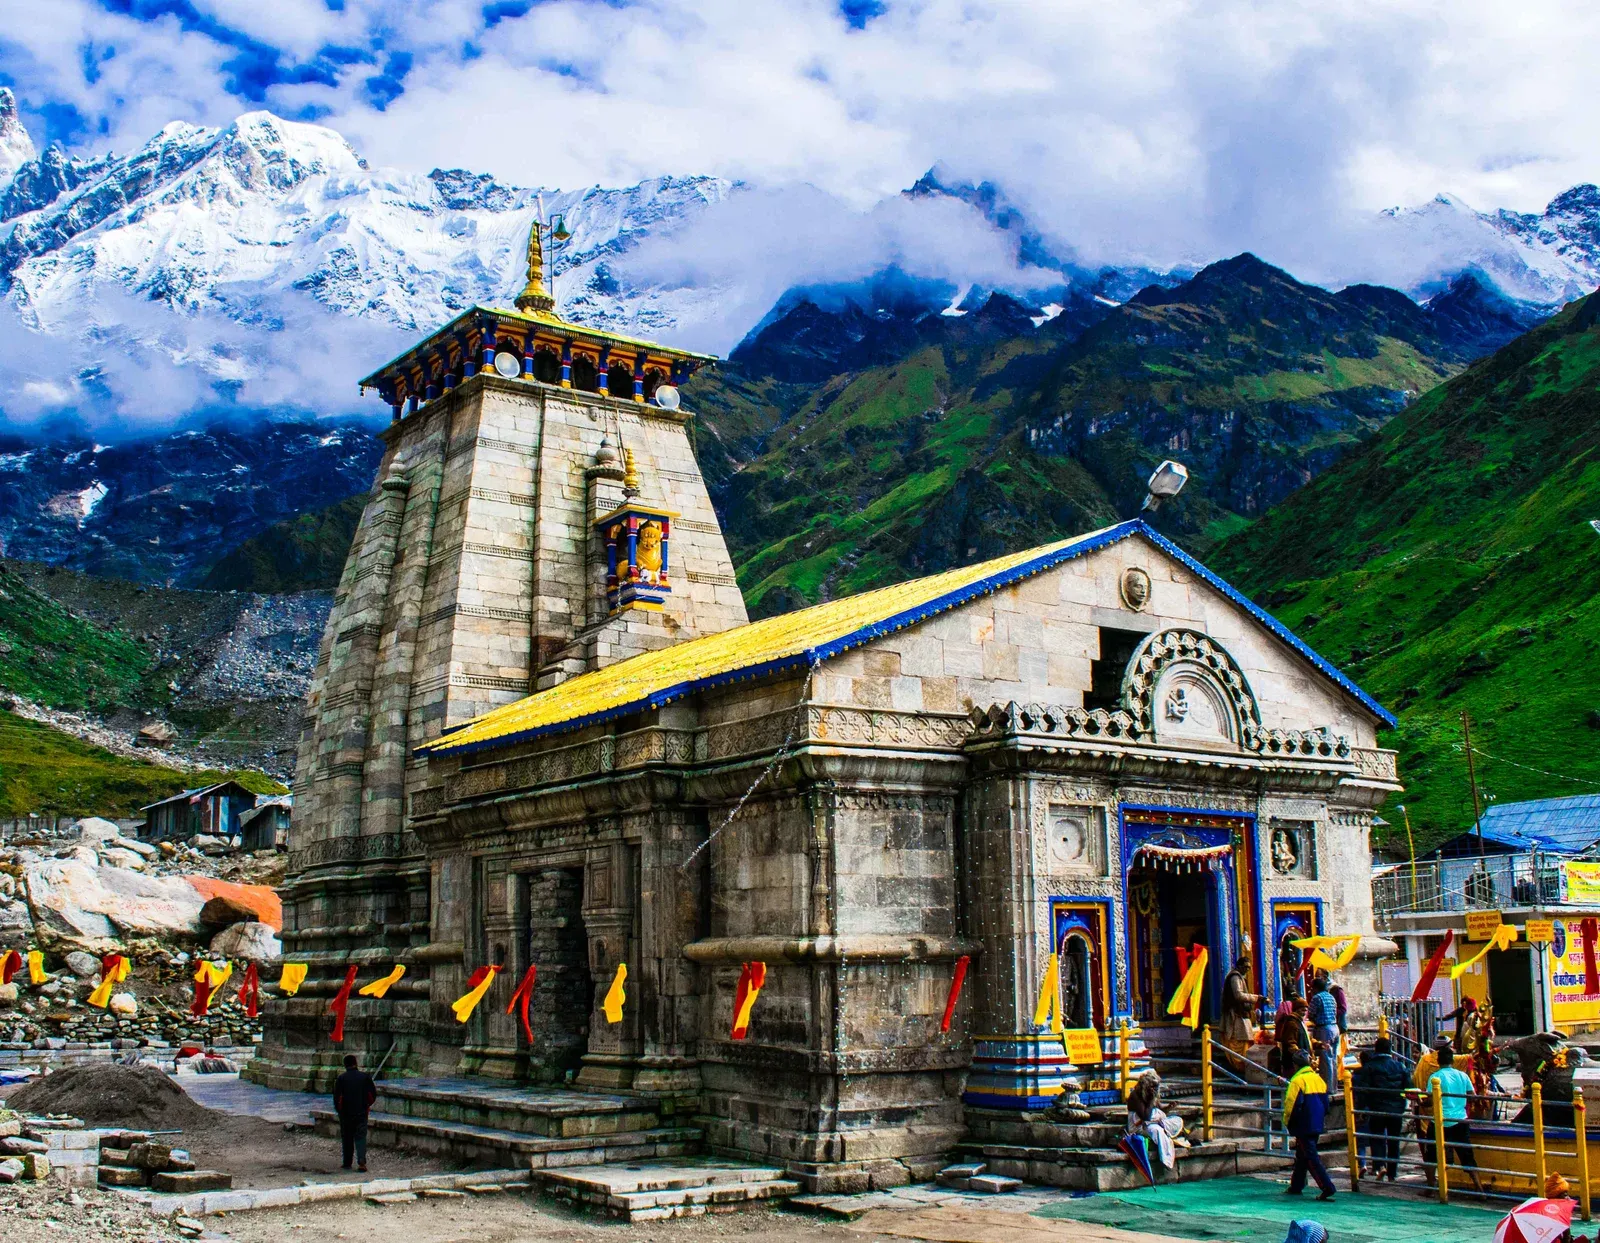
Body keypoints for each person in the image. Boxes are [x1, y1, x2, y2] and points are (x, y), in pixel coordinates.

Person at [1351, 1036, 1411, 1181]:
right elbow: (1409, 1087)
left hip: (1376, 1108)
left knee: (1377, 1138)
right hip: (1396, 1109)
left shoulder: (1369, 1067)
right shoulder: (1400, 1066)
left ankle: (1380, 1166)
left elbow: (1363, 1091)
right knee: (1393, 1141)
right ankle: (1392, 1173)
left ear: (1376, 1050)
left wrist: (1361, 1110)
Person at [1425, 1046, 1482, 1192]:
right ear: (1452, 1061)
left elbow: (1429, 1101)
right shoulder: (1463, 1076)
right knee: (1467, 1156)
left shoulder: (1435, 1077)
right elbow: (1472, 1096)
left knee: (1431, 1155)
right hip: (1460, 1120)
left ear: (1438, 1061)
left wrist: (1419, 1100)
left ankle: (1431, 1187)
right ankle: (1479, 1188)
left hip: (1440, 1120)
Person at [1283, 1049, 1335, 1201]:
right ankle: (1296, 1186)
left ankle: (1327, 1187)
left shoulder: (1297, 1081)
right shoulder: (1318, 1079)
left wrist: (1288, 1122)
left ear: (1295, 1066)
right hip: (1317, 1122)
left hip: (1303, 1124)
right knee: (1303, 1155)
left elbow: (1291, 1105)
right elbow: (1326, 1104)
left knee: (1310, 1157)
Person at [1126, 1070, 1188, 1171]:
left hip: (1155, 1122)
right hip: (1140, 1126)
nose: (1155, 1089)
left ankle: (1167, 1133)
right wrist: (1151, 1100)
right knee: (1158, 1131)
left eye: (1156, 1087)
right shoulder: (1135, 1096)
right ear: (1145, 1085)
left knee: (1177, 1120)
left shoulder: (1153, 1095)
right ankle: (1166, 1160)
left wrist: (1169, 1107)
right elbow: (1146, 1116)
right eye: (1152, 1087)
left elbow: (1160, 1110)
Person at [1412, 1034, 1451, 1184]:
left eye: (1417, 1052)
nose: (1415, 1055)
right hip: (1449, 1116)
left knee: (1432, 1151)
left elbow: (1428, 1098)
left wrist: (1420, 1102)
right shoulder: (1423, 1064)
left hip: (1434, 1115)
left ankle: (1432, 1184)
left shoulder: (1426, 1065)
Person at [333, 1053, 377, 1172]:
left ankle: (347, 1162)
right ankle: (362, 1162)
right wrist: (366, 1105)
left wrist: (340, 1111)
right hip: (361, 1112)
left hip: (346, 1113)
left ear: (345, 1065)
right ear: (355, 1063)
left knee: (347, 1138)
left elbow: (337, 1099)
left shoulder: (341, 1078)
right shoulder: (365, 1077)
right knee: (360, 1137)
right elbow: (372, 1095)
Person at [1221, 954, 1265, 1056]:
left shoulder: (1239, 977)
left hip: (1241, 1013)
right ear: (1239, 966)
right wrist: (1257, 998)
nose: (1247, 970)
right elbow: (1238, 995)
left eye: (1249, 968)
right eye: (1245, 967)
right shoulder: (1235, 977)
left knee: (1243, 1039)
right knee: (1237, 1039)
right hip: (1235, 1014)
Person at [1307, 978, 1339, 1088]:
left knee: (1325, 1060)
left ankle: (1327, 1087)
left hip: (1324, 1029)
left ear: (1315, 988)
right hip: (1334, 1027)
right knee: (1333, 1058)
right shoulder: (1331, 997)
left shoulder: (1317, 998)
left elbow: (1310, 1013)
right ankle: (1333, 1086)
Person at [1273, 997, 1312, 1077]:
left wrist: (1318, 1044)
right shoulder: (1292, 1023)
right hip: (1294, 1063)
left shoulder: (1300, 1022)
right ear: (1296, 1010)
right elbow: (1290, 1043)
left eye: (1305, 1010)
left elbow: (1307, 1039)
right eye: (1302, 1010)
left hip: (1302, 1061)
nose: (1304, 1013)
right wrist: (1300, 1055)